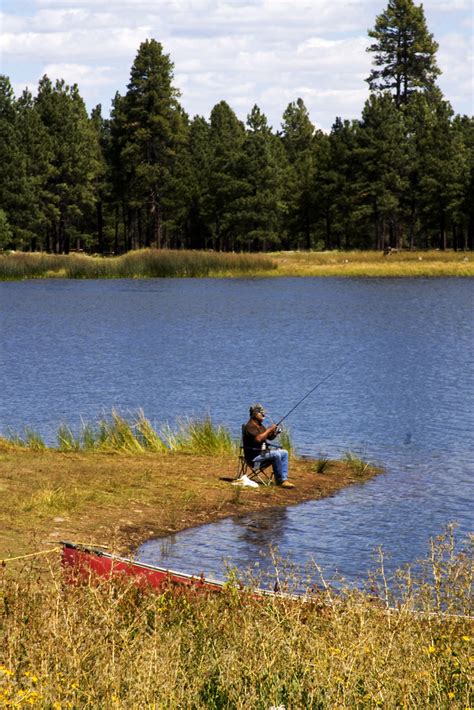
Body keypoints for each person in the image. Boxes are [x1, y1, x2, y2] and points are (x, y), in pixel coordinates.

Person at [243, 403, 294, 489]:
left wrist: (275, 433)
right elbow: (258, 439)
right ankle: (280, 481)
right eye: (261, 413)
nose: (264, 415)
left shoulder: (260, 425)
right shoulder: (249, 426)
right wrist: (269, 429)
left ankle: (284, 479)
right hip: (254, 460)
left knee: (284, 452)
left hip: (262, 455)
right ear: (255, 414)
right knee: (276, 455)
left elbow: (269, 438)